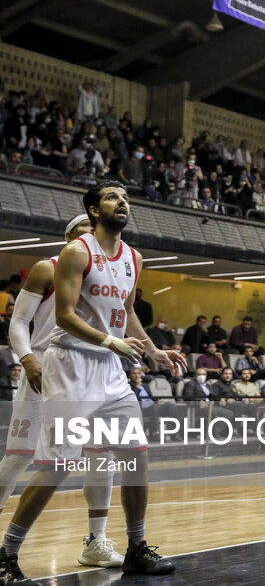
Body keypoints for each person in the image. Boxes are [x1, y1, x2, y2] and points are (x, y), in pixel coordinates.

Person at [0, 182, 185, 582]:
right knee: (57, 464)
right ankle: (7, 554)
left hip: (111, 369)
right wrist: (109, 341)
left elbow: (128, 312)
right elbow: (63, 317)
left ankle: (135, 547)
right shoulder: (74, 253)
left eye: (126, 198)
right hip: (70, 365)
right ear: (93, 210)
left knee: (135, 457)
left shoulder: (134, 258)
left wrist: (154, 351)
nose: (123, 202)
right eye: (112, 197)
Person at [1, 214, 128, 568]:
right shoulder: (48, 267)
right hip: (44, 367)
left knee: (102, 456)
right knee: (22, 456)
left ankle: (96, 542)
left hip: (90, 372)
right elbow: (18, 322)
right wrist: (26, 359)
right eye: (89, 230)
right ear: (70, 235)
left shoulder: (108, 274)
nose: (96, 237)